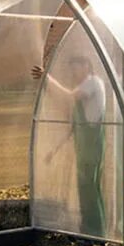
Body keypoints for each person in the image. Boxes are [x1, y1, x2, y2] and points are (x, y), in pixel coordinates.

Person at [31, 56, 106, 235]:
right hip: (85, 149)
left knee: (89, 190)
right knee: (86, 189)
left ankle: (95, 233)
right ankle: (89, 231)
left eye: (76, 67)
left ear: (87, 65)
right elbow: (73, 127)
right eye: (71, 68)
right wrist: (54, 151)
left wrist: (46, 78)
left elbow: (69, 97)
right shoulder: (84, 88)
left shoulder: (93, 83)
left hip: (91, 147)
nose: (73, 72)